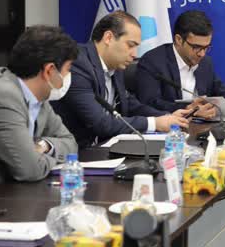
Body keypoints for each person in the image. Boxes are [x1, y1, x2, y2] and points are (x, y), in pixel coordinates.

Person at [52, 11, 190, 147]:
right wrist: (155, 123)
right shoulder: (77, 64)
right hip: (76, 152)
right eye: (130, 45)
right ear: (108, 38)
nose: (135, 54)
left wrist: (166, 117)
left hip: (104, 147)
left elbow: (128, 104)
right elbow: (101, 123)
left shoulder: (115, 65)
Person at [0, 26, 78, 182]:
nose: (69, 75)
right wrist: (38, 158)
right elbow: (30, 169)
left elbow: (71, 144)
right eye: (68, 69)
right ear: (49, 71)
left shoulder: (40, 99)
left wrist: (44, 145)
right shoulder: (4, 95)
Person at [135, 10, 225, 118]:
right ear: (178, 40)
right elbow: (149, 103)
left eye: (206, 47)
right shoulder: (152, 61)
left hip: (202, 125)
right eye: (196, 47)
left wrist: (214, 110)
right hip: (169, 125)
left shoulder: (206, 63)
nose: (202, 54)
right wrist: (189, 109)